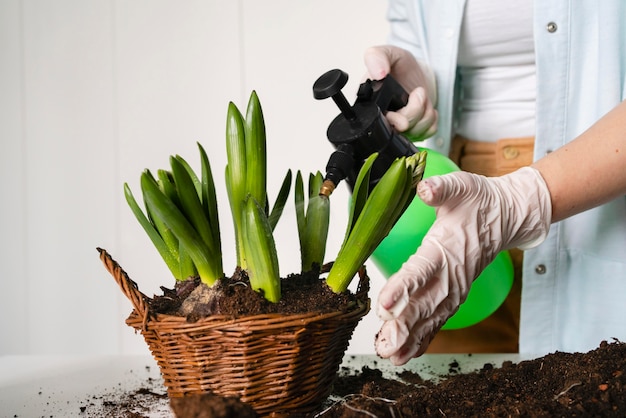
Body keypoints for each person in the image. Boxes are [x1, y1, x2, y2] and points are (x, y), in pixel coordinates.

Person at [363, 0, 626, 364]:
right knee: (453, 388)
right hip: (458, 191)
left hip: (595, 182)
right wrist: (422, 82)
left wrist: (522, 199)